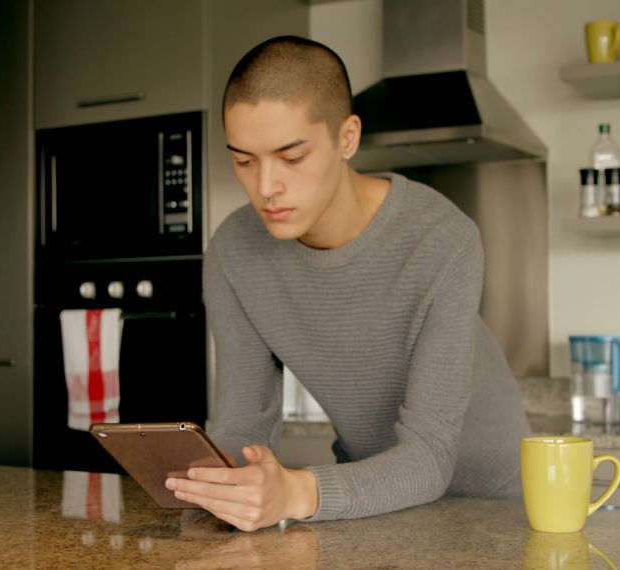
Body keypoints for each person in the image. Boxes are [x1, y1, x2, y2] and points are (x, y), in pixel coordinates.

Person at [165, 36, 530, 532]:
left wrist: (295, 491)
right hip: (370, 504)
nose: (265, 186)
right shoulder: (234, 250)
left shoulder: (442, 238)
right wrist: (219, 484)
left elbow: (429, 458)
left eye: (291, 157)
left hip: (494, 511)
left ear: (347, 138)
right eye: (244, 160)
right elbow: (242, 424)